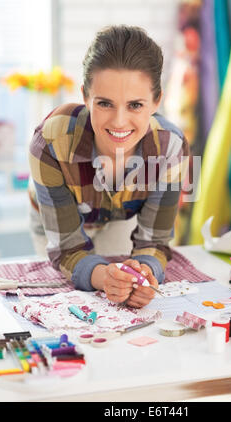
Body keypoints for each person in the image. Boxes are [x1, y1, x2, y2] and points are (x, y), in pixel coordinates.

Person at [29, 25, 189, 308]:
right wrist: (102, 277)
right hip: (56, 221)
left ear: (156, 101)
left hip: (119, 218)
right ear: (85, 96)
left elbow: (155, 240)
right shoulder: (50, 142)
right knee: (66, 296)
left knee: (123, 290)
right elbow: (66, 248)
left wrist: (144, 273)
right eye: (104, 103)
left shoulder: (171, 148)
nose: (118, 122)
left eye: (135, 105)